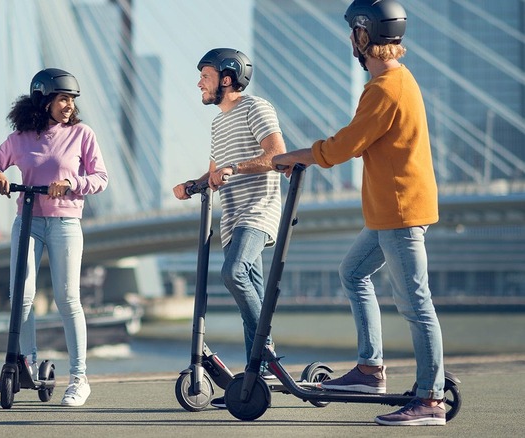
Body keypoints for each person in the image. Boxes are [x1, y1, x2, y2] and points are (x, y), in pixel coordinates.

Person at [272, 0, 446, 426]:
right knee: (353, 272)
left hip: (400, 213)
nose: (351, 39)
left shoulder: (386, 89)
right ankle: (369, 372)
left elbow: (344, 146)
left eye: (354, 32)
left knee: (416, 304)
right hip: (390, 212)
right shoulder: (398, 81)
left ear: (363, 36)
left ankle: (430, 399)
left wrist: (298, 155)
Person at [0, 68, 108, 407]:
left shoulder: (82, 134)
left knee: (68, 299)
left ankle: (79, 379)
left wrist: (73, 184)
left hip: (66, 222)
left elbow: (100, 178)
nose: (69, 105)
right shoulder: (20, 139)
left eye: (72, 99)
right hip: (28, 221)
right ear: (44, 100)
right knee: (22, 295)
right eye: (63, 98)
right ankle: (28, 362)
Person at [172, 48, 287, 409]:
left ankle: (266, 352)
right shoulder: (218, 123)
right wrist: (192, 184)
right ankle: (256, 381)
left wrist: (234, 169)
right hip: (233, 217)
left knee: (234, 272)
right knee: (247, 291)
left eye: (204, 76)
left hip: (258, 210)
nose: (199, 84)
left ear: (226, 78)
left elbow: (275, 155)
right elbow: (214, 172)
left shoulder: (256, 108)